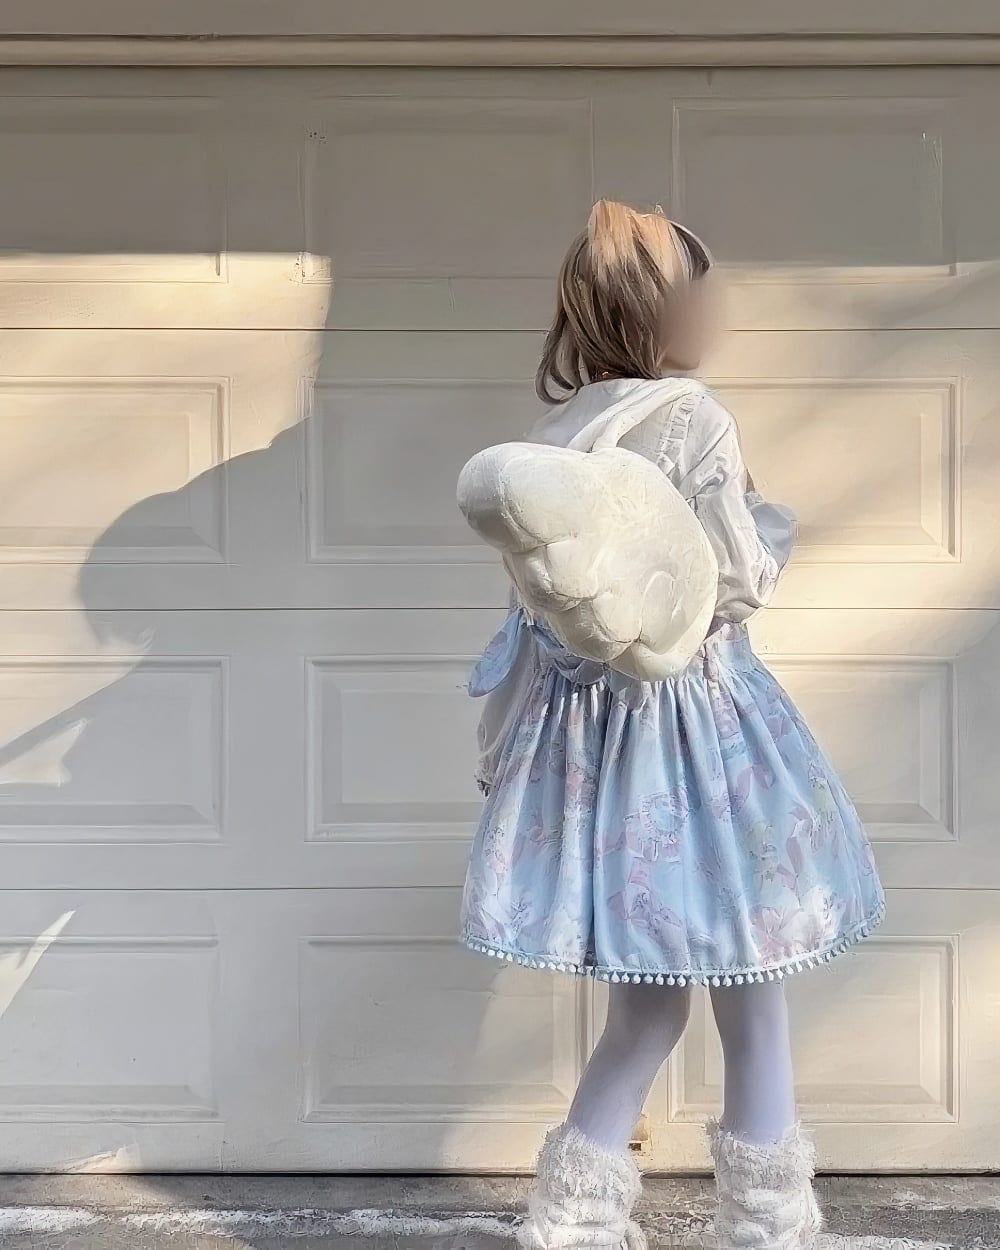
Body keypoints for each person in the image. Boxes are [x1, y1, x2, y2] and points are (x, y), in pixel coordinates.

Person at [458, 200, 885, 1250]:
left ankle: (575, 1214)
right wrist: (759, 509)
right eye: (701, 289)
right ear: (666, 308)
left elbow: (540, 600)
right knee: (754, 979)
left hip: (596, 744)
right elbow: (731, 586)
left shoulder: (554, 433)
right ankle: (766, 1220)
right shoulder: (692, 419)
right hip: (700, 735)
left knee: (648, 1004)